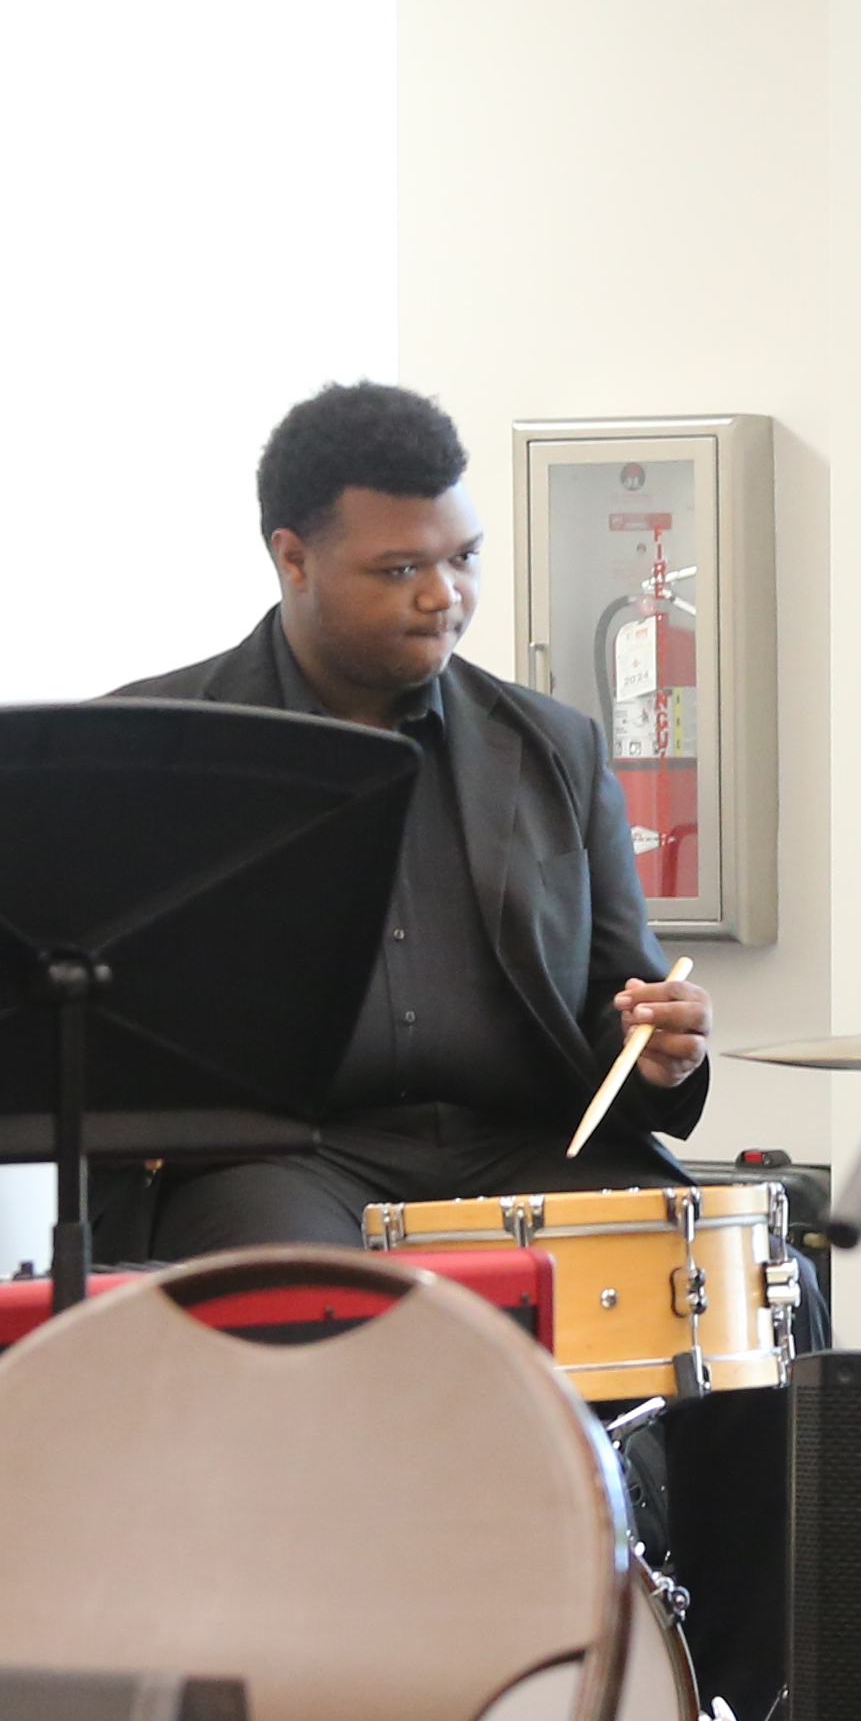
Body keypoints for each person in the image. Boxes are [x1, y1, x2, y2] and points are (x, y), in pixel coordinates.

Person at [115, 382, 711, 1253]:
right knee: (299, 1300)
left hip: (530, 1147)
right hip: (277, 1160)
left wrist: (660, 1051)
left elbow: (613, 1010)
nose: (446, 596)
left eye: (464, 557)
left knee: (739, 1284)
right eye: (401, 570)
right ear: (293, 559)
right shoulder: (153, 748)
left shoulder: (555, 747)